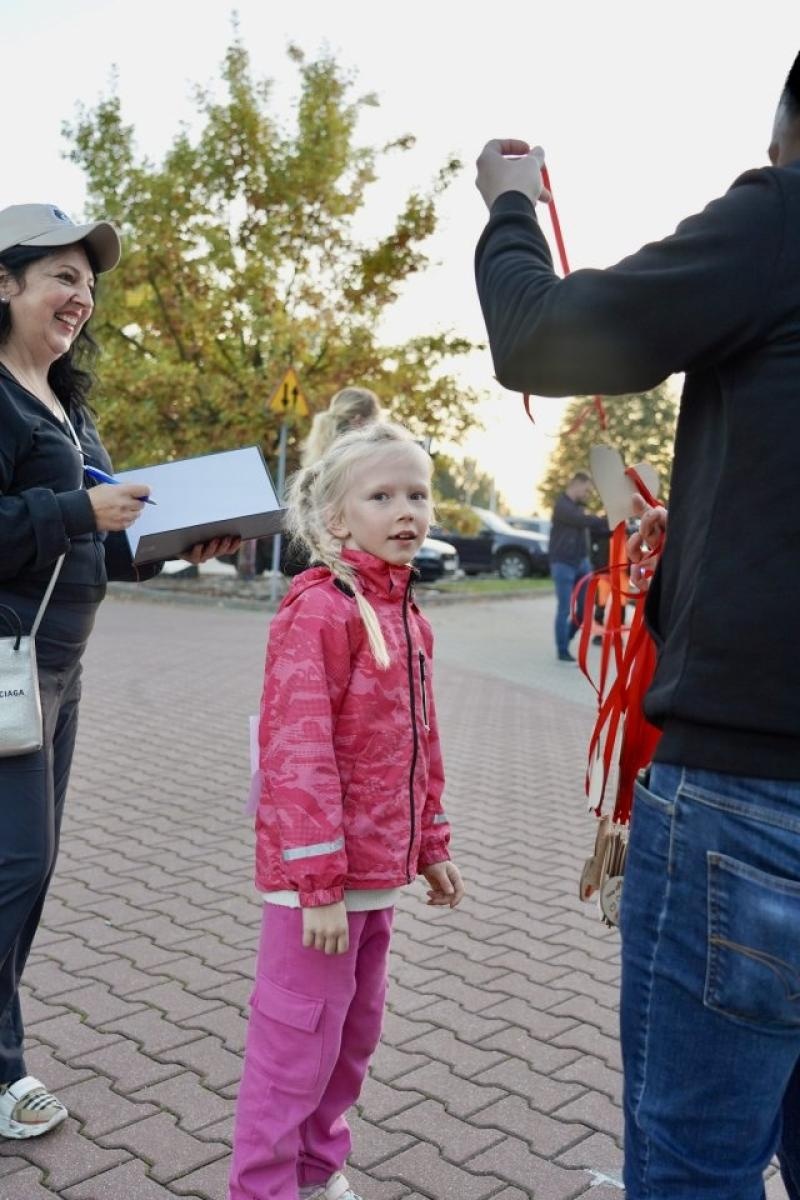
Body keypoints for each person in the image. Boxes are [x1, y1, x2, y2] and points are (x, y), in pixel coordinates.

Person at [473, 50, 800, 1200]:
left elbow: (544, 338)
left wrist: (509, 207)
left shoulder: (782, 215)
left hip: (756, 800)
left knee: (690, 1169)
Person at [0, 204, 238, 1140]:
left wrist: (180, 546)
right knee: (15, 868)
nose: (80, 296)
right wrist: (76, 510)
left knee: (31, 866)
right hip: (8, 661)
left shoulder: (68, 403)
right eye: (61, 274)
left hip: (61, 667)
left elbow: (100, 543)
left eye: (88, 282)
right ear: (4, 283)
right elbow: (63, 520)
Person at [229, 421, 464, 1200]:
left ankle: (316, 1168)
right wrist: (316, 884)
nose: (408, 510)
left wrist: (431, 843)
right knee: (296, 1042)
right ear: (337, 519)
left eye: (418, 494)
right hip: (317, 885)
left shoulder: (409, 615)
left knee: (351, 1037)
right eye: (383, 495)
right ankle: (263, 1188)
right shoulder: (319, 612)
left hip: (375, 875)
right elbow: (297, 750)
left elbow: (418, 742)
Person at [548, 471, 609, 661]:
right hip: (563, 563)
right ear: (577, 484)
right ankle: (562, 649)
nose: (587, 494)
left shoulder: (577, 508)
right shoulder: (562, 506)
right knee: (564, 608)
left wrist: (614, 525)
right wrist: (605, 518)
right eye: (586, 490)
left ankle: (566, 638)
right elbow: (584, 521)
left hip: (582, 563)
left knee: (584, 609)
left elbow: (595, 527)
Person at [300, 386, 382, 467]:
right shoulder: (365, 460)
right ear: (359, 421)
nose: (378, 427)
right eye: (376, 420)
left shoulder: (319, 459)